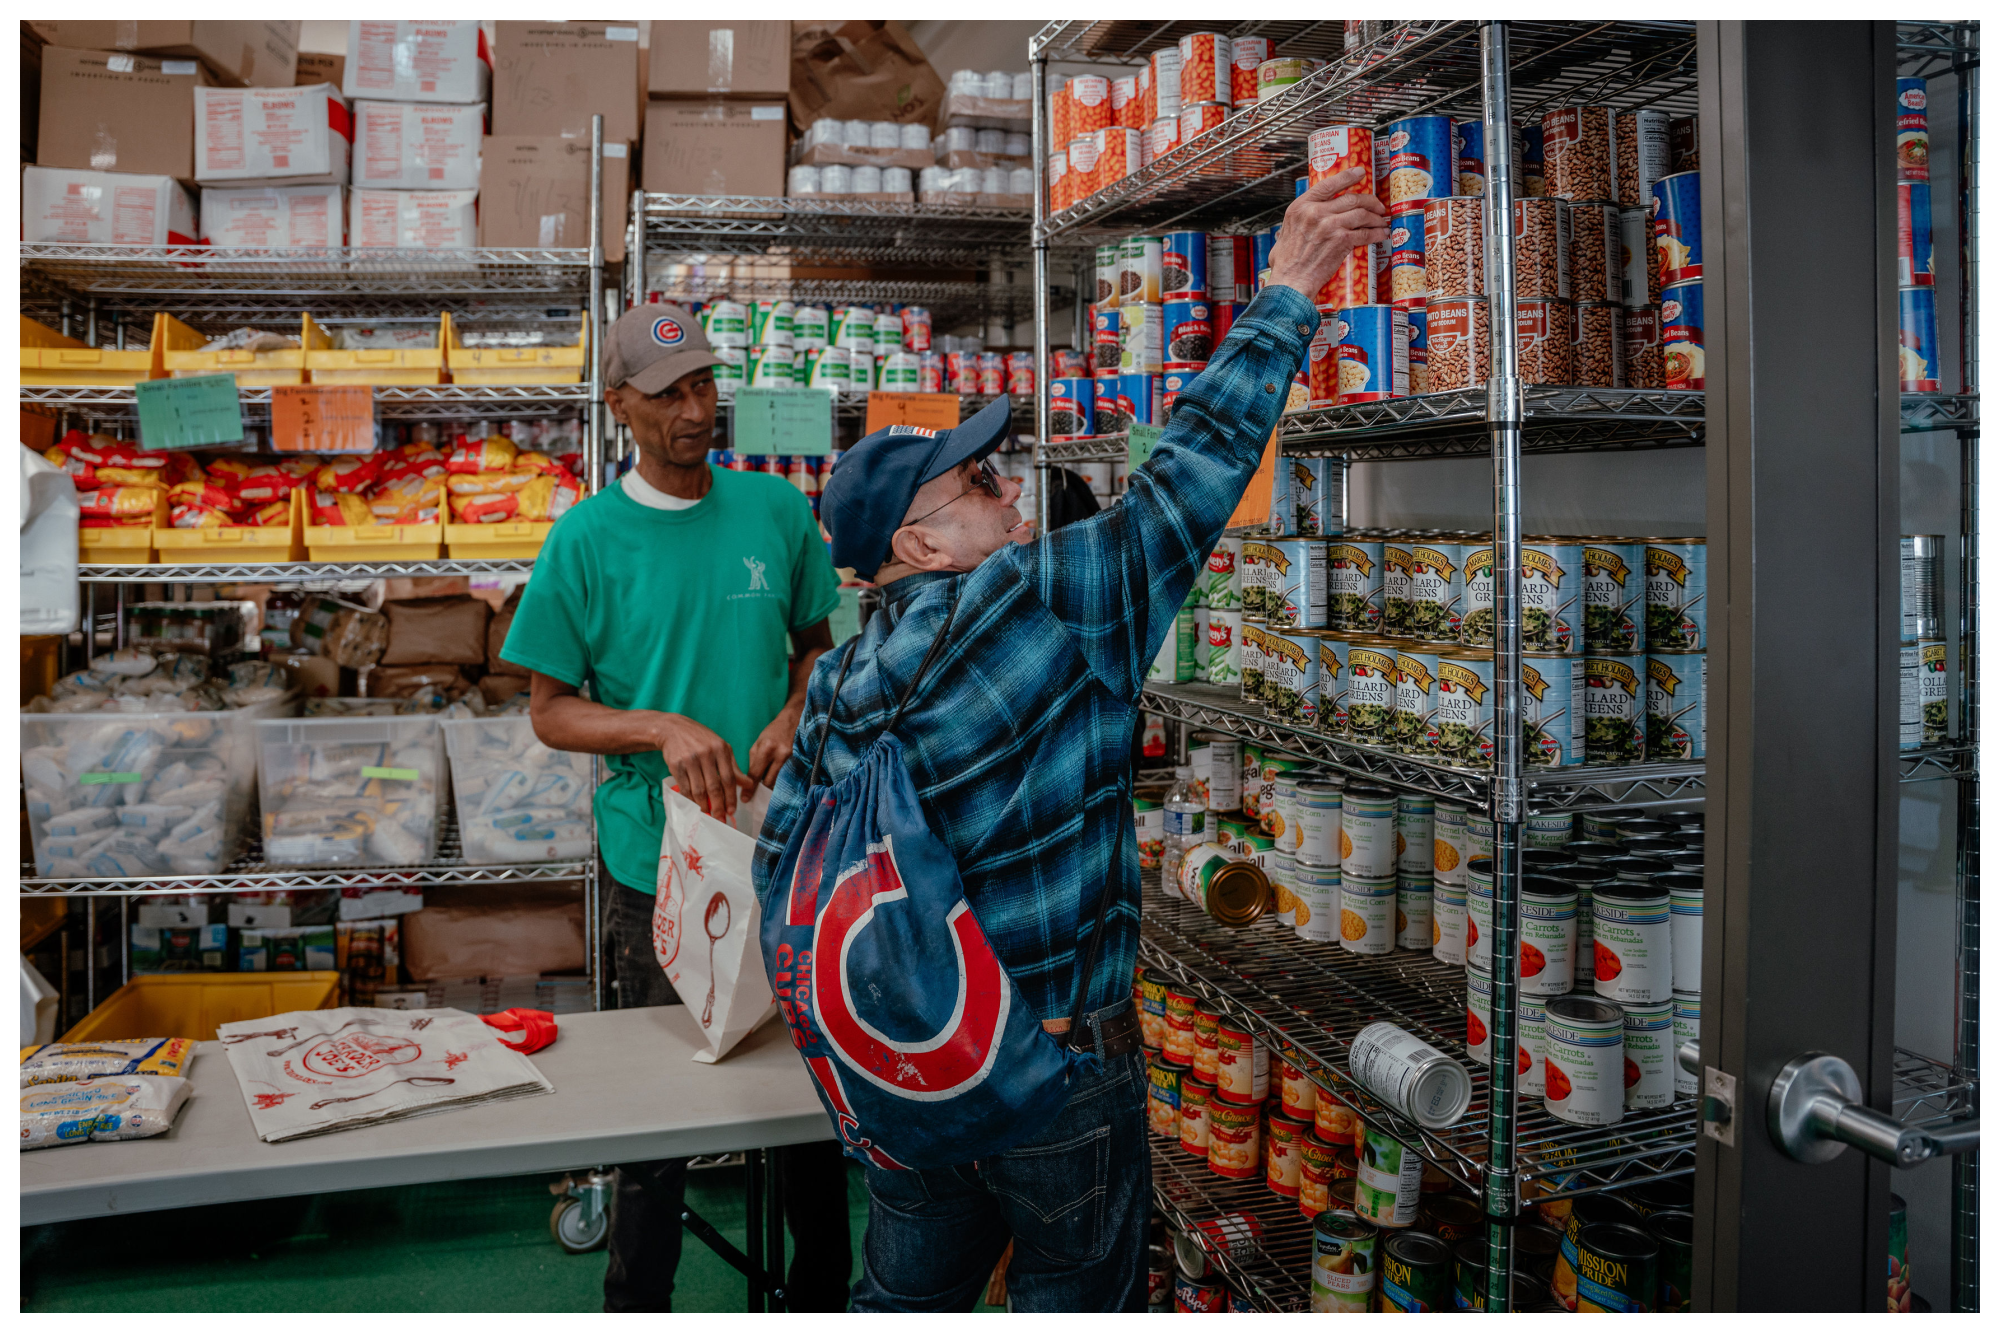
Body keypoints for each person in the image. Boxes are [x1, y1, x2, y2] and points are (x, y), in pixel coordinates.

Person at [752, 169, 1388, 1312]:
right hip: (1053, 1059)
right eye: (981, 481)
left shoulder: (839, 677)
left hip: (910, 1065)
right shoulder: (1036, 603)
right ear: (924, 541)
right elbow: (1188, 477)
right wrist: (1289, 283)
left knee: (907, 1295)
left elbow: (782, 866)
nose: (1011, 492)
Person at [501, 303, 853, 1313]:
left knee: (805, 1100)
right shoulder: (584, 542)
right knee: (654, 1118)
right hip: (654, 865)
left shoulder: (776, 514)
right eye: (668, 394)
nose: (696, 410)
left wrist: (798, 708)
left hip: (782, 851)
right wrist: (657, 728)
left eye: (704, 385)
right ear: (620, 407)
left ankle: (819, 1297)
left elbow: (814, 646)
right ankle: (638, 1299)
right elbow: (550, 711)